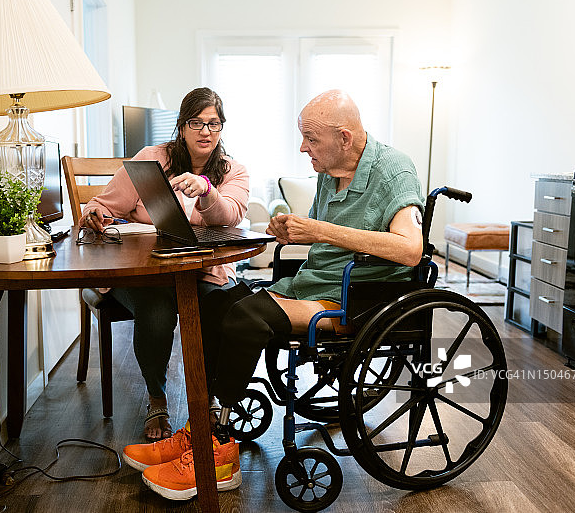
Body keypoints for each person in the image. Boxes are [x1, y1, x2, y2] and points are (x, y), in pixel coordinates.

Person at [121, 89, 425, 501]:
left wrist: (318, 230)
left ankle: (218, 449)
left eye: (311, 139)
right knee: (221, 303)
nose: (303, 148)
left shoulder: (393, 171)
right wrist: (289, 228)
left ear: (345, 138)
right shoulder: (329, 171)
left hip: (353, 299)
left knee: (247, 318)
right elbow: (319, 232)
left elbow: (410, 249)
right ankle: (200, 428)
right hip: (312, 284)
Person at [80, 87, 249, 441]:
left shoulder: (234, 171)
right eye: (196, 122)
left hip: (202, 270)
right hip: (146, 271)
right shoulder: (151, 159)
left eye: (214, 123)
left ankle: (212, 396)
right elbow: (103, 205)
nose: (206, 131)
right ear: (181, 126)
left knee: (222, 306)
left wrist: (206, 189)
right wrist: (94, 214)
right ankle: (157, 398)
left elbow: (230, 216)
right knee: (156, 311)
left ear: (222, 128)